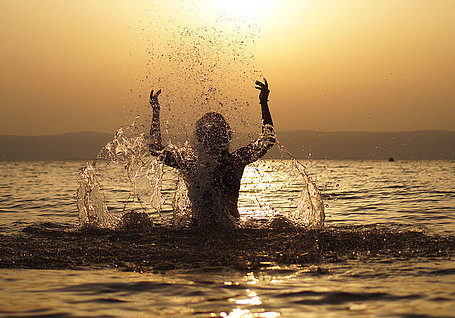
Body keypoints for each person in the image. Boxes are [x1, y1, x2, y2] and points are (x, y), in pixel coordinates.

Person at [148, 79, 275, 228]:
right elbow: (267, 140)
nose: (213, 140)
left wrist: (156, 112)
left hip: (198, 232)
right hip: (228, 231)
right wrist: (263, 103)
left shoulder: (194, 164)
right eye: (211, 135)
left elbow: (156, 149)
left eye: (216, 135)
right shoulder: (234, 161)